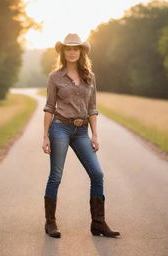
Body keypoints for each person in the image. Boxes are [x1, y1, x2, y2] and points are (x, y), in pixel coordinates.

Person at [42, 33, 120, 239]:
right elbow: (49, 107)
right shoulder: (55, 77)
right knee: (56, 176)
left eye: (76, 48)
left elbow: (92, 108)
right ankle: (50, 223)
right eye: (68, 48)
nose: (72, 52)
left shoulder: (90, 77)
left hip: (82, 131)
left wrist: (95, 135)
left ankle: (98, 224)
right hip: (60, 128)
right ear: (63, 52)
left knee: (97, 174)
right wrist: (45, 136)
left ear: (81, 51)